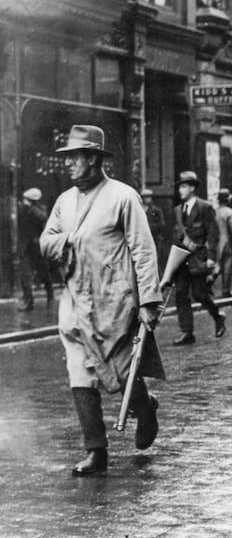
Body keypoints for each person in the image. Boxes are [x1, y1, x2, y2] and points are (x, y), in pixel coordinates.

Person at [39, 125, 164, 476]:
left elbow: (143, 249)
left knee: (123, 370)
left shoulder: (123, 197)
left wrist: (149, 301)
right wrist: (68, 239)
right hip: (76, 300)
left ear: (93, 159)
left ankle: (145, 407)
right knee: (79, 372)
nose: (68, 165)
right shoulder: (64, 201)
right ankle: (96, 451)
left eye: (75, 158)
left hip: (115, 300)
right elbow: (45, 241)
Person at [171, 170, 226, 345]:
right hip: (182, 260)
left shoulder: (204, 207)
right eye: (180, 186)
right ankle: (187, 332)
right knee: (180, 294)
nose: (181, 190)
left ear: (193, 188)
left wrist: (211, 258)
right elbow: (177, 237)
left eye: (184, 186)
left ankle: (218, 317)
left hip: (199, 259)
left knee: (200, 294)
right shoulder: (178, 211)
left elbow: (213, 234)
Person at [17, 187, 53, 311]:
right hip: (25, 248)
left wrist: (30, 208)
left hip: (37, 247)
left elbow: (43, 219)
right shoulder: (23, 209)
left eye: (26, 199)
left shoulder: (39, 210)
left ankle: (50, 295)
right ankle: (28, 302)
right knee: (25, 275)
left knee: (44, 273)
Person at [141, 188, 168, 275]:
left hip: (155, 239)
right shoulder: (139, 210)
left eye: (149, 197)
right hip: (143, 240)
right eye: (145, 197)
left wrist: (148, 228)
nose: (147, 199)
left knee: (156, 261)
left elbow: (162, 225)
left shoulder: (156, 210)